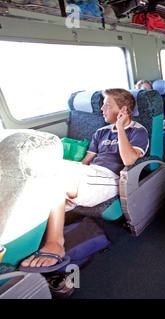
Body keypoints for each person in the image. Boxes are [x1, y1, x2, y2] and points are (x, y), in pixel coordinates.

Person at [20, 89, 149, 271]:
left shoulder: (138, 131)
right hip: (90, 174)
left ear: (123, 109)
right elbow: (85, 162)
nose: (102, 108)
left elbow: (129, 161)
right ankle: (20, 242)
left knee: (58, 175)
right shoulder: (101, 132)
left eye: (107, 104)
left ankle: (55, 242)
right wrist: (73, 169)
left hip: (111, 178)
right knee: (43, 172)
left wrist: (120, 128)